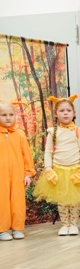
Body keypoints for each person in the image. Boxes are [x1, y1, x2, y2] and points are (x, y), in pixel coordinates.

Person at [34, 95, 80, 235]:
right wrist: (48, 168)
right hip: (58, 171)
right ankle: (65, 224)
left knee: (74, 200)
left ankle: (73, 224)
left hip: (76, 170)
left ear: (74, 113)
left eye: (68, 110)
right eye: (62, 110)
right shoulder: (52, 132)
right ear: (56, 114)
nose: (65, 113)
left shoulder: (79, 131)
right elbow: (48, 152)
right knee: (62, 199)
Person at [0, 100, 35, 241]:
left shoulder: (19, 135)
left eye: (11, 114)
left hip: (17, 175)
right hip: (1, 175)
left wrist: (28, 173)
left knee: (18, 201)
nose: (8, 118)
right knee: (2, 201)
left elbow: (26, 155)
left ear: (15, 115)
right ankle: (2, 230)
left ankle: (17, 228)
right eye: (3, 115)